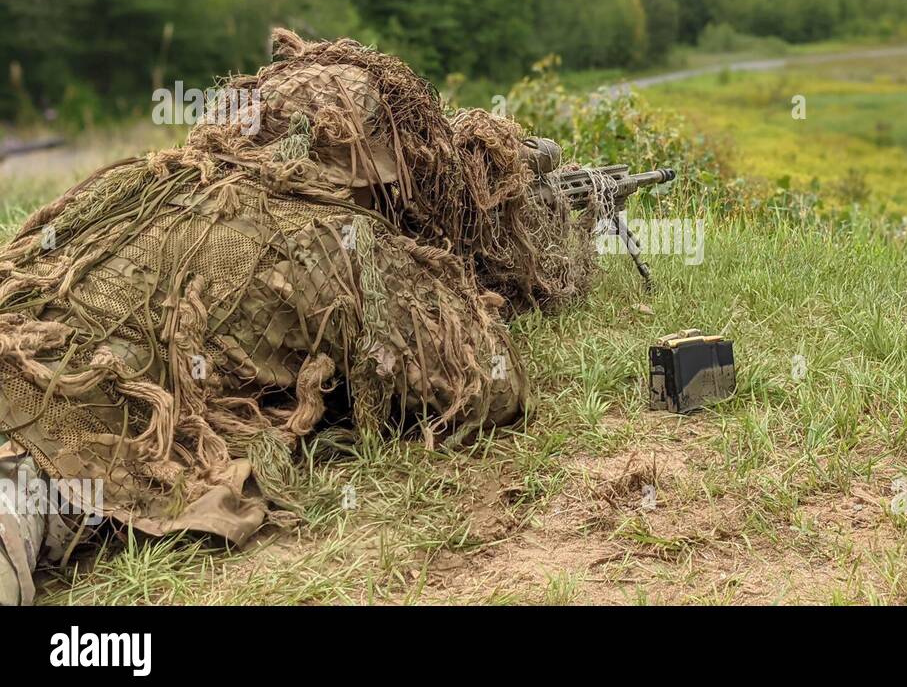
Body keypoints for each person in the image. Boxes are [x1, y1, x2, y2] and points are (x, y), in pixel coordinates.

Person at [0, 31, 594, 604]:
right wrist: (456, 282)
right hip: (51, 437)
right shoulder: (333, 240)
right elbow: (487, 388)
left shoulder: (150, 181)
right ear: (365, 170)